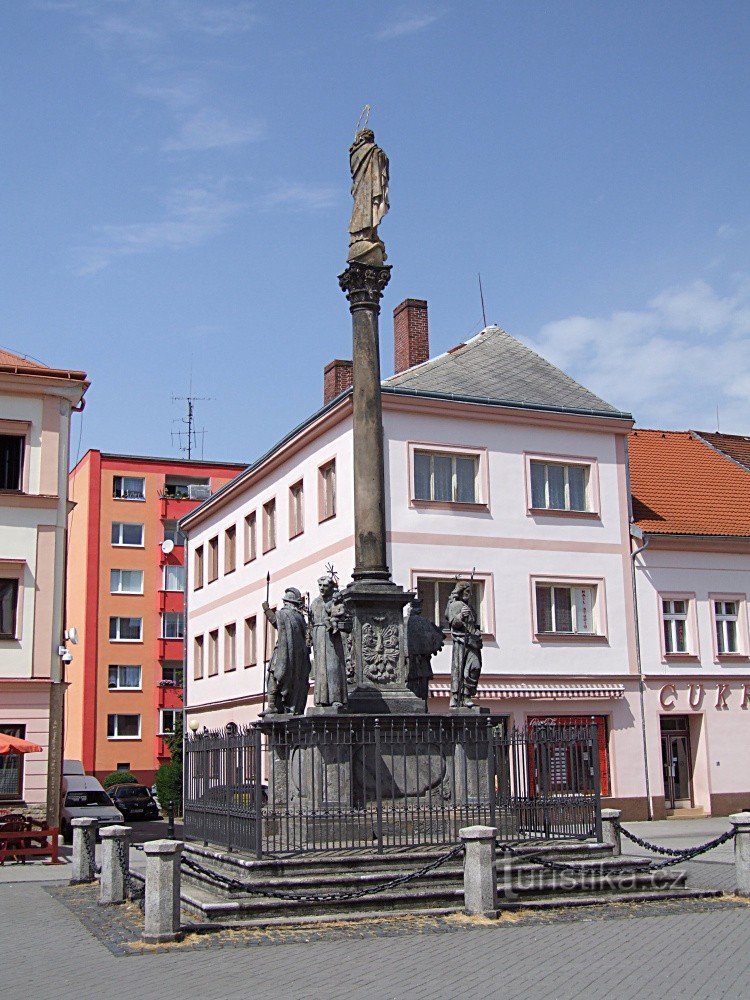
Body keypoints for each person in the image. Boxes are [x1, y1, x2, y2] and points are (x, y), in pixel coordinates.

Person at [262, 587, 311, 715]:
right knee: (290, 680)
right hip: (297, 658)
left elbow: (275, 622)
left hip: (282, 653)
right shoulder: (300, 618)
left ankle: (272, 705)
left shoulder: (284, 614)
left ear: (289, 603)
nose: (284, 605)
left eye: (285, 602)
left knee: (272, 676)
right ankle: (289, 704)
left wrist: (266, 610)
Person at [310, 573, 351, 708]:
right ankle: (321, 699)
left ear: (331, 587)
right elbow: (310, 623)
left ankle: (336, 698)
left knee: (334, 667)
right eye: (320, 585)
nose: (322, 588)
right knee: (320, 669)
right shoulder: (315, 603)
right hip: (318, 637)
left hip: (332, 637)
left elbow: (348, 623)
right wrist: (309, 637)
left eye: (325, 586)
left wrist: (339, 625)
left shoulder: (336, 602)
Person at [445, 582, 483, 708]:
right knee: (462, 670)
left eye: (470, 592)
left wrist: (477, 633)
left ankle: (467, 695)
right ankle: (460, 697)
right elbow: (453, 623)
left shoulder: (469, 607)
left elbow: (472, 626)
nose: (469, 594)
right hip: (462, 642)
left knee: (475, 668)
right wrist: (461, 615)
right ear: (460, 592)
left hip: (472, 642)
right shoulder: (456, 605)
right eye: (467, 592)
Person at [405, 599, 444, 703]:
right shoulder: (424, 622)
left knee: (409, 687)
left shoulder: (403, 622)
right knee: (422, 692)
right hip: (422, 662)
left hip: (405, 662)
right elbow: (437, 640)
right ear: (419, 609)